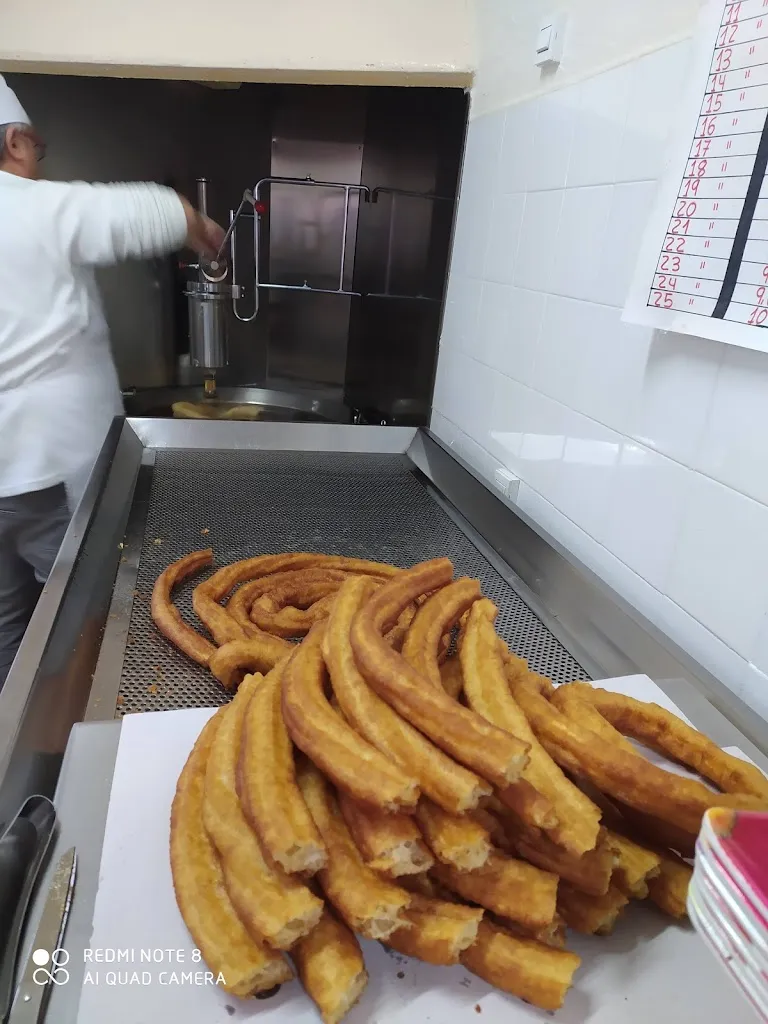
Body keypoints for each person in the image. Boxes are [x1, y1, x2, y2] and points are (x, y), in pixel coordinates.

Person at [0, 75, 225, 688]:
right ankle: (73, 746)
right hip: (48, 479)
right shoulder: (26, 204)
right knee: (82, 616)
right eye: (36, 152)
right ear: (16, 142)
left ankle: (17, 760)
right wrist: (214, 243)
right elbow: (162, 209)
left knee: (7, 633)